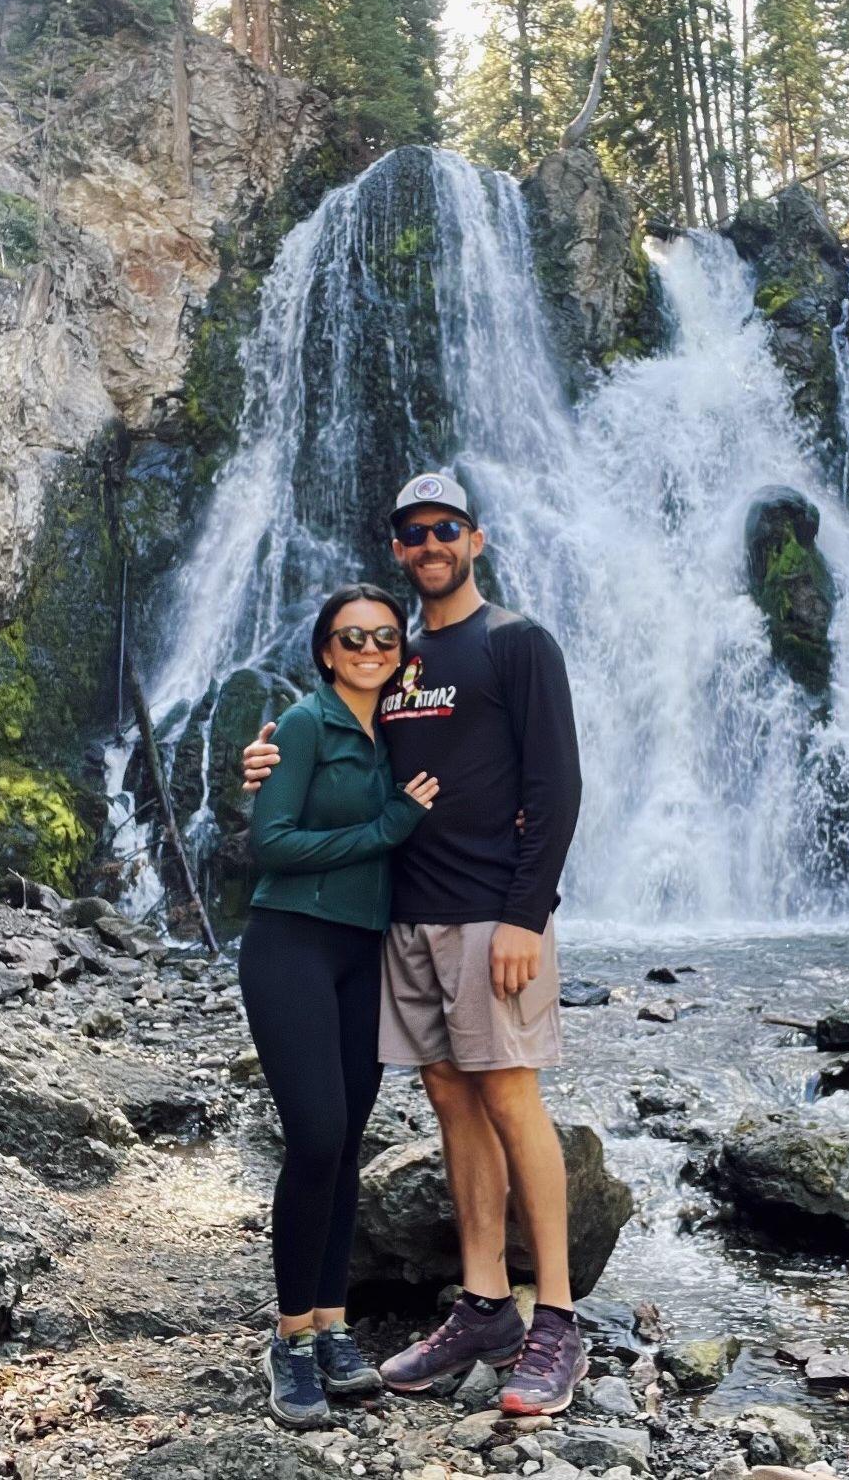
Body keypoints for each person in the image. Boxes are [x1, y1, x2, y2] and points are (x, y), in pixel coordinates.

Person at [243, 471, 586, 1416]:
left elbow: (556, 788)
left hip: (492, 914)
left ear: (474, 539)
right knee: (449, 1096)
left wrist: (528, 912)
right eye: (412, 534)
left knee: (511, 1092)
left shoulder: (517, 643)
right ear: (397, 551)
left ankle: (555, 1318)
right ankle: (483, 1305)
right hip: (402, 917)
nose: (430, 545)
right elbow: (337, 751)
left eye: (446, 529)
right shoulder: (397, 666)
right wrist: (269, 759)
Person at [240, 582, 440, 1429]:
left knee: (348, 1141)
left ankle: (331, 1326)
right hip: (292, 943)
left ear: (400, 652)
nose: (369, 648)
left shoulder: (400, 729)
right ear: (325, 650)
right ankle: (287, 1343)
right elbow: (270, 843)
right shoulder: (301, 725)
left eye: (385, 638)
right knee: (316, 1134)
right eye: (352, 637)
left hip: (366, 953)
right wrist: (389, 826)